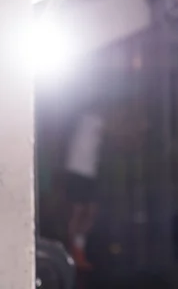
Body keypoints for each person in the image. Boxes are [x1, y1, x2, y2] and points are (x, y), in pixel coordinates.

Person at [64, 108, 105, 269]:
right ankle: (73, 252)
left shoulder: (95, 119)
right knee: (78, 212)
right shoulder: (89, 118)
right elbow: (116, 131)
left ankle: (76, 248)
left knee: (90, 212)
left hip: (88, 173)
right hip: (78, 171)